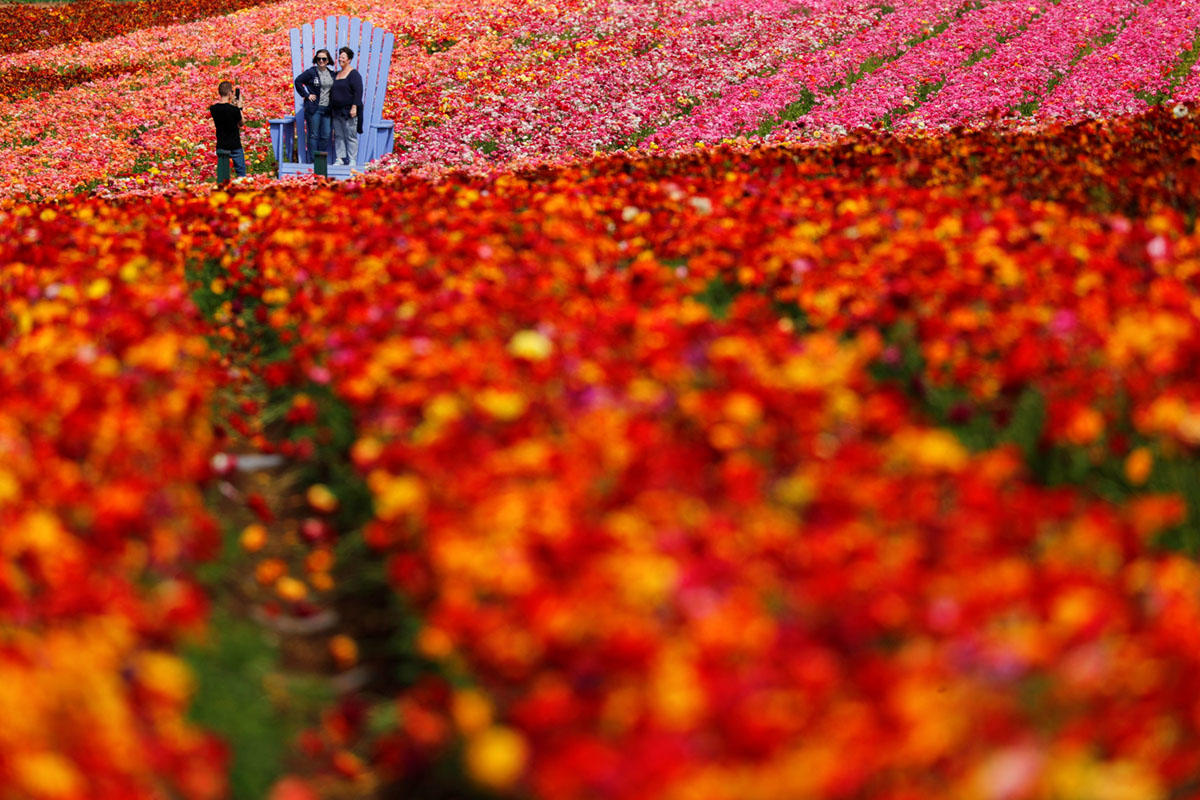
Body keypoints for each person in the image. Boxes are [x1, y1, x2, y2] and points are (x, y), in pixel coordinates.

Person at [294, 48, 335, 161]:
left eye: (324, 59)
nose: (321, 61)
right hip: (314, 109)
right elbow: (297, 81)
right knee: (313, 135)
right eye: (318, 59)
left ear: (328, 61)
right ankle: (314, 160)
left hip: (327, 109)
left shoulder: (332, 74)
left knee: (326, 135)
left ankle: (320, 158)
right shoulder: (311, 72)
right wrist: (306, 95)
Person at [330, 46, 364, 166]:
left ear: (349, 60)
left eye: (343, 57)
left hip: (349, 110)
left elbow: (358, 92)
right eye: (339, 57)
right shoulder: (337, 74)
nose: (340, 59)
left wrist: (354, 107)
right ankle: (340, 158)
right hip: (336, 111)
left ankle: (352, 159)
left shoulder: (354, 74)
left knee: (350, 135)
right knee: (339, 135)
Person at [208, 80, 246, 177]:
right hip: (235, 145)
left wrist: (234, 106)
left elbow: (226, 113)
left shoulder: (213, 109)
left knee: (223, 174)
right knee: (241, 172)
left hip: (222, 145)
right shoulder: (234, 110)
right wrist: (239, 107)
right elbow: (241, 123)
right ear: (230, 93)